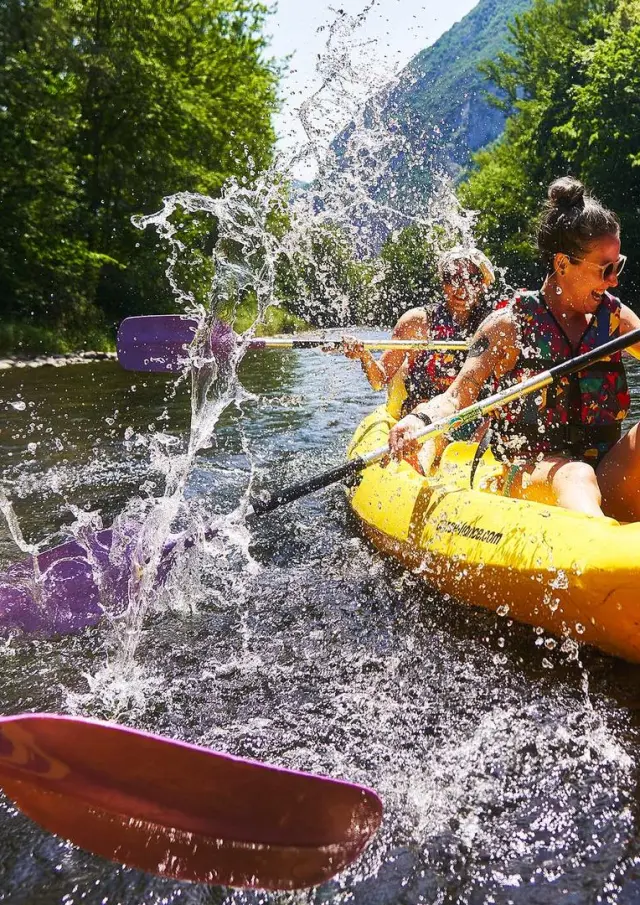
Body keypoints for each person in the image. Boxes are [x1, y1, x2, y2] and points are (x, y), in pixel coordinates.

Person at [388, 176, 640, 521]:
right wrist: (418, 421)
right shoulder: (508, 325)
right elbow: (457, 396)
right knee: (575, 475)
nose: (614, 280)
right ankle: (603, 553)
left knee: (587, 472)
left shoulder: (613, 319)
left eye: (618, 265)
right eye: (605, 269)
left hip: (606, 468)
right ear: (562, 264)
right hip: (530, 473)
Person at [341, 247, 496, 417]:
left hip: (470, 414)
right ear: (443, 283)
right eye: (453, 278)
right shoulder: (417, 322)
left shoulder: (494, 324)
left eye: (471, 279)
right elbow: (379, 380)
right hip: (421, 415)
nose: (462, 289)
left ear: (483, 284)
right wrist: (364, 355)